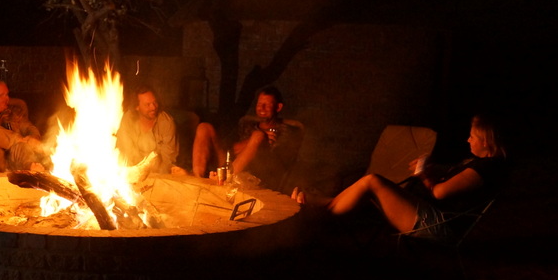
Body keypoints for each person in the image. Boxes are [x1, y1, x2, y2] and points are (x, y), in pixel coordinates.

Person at [328, 114, 508, 241]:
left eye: (472, 136)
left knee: (372, 181)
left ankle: (325, 212)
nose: (468, 140)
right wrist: (432, 169)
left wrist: (423, 175)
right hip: (432, 213)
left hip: (438, 224)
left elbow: (438, 192)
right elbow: (453, 178)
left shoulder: (486, 169)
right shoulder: (484, 164)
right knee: (370, 191)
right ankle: (326, 205)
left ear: (485, 141)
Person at [192, 86, 304, 193]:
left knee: (258, 136)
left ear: (278, 107)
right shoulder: (247, 124)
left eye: (267, 105)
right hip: (230, 166)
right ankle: (198, 178)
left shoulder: (286, 131)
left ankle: (225, 180)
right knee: (204, 127)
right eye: (259, 104)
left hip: (254, 177)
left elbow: (279, 165)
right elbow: (229, 148)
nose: (262, 108)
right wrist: (250, 142)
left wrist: (260, 140)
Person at [115, 84, 186, 175]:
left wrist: (157, 178)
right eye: (147, 105)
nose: (153, 107)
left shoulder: (166, 123)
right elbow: (125, 151)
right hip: (132, 172)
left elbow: (168, 160)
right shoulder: (128, 120)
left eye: (155, 102)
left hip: (158, 174)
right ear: (137, 107)